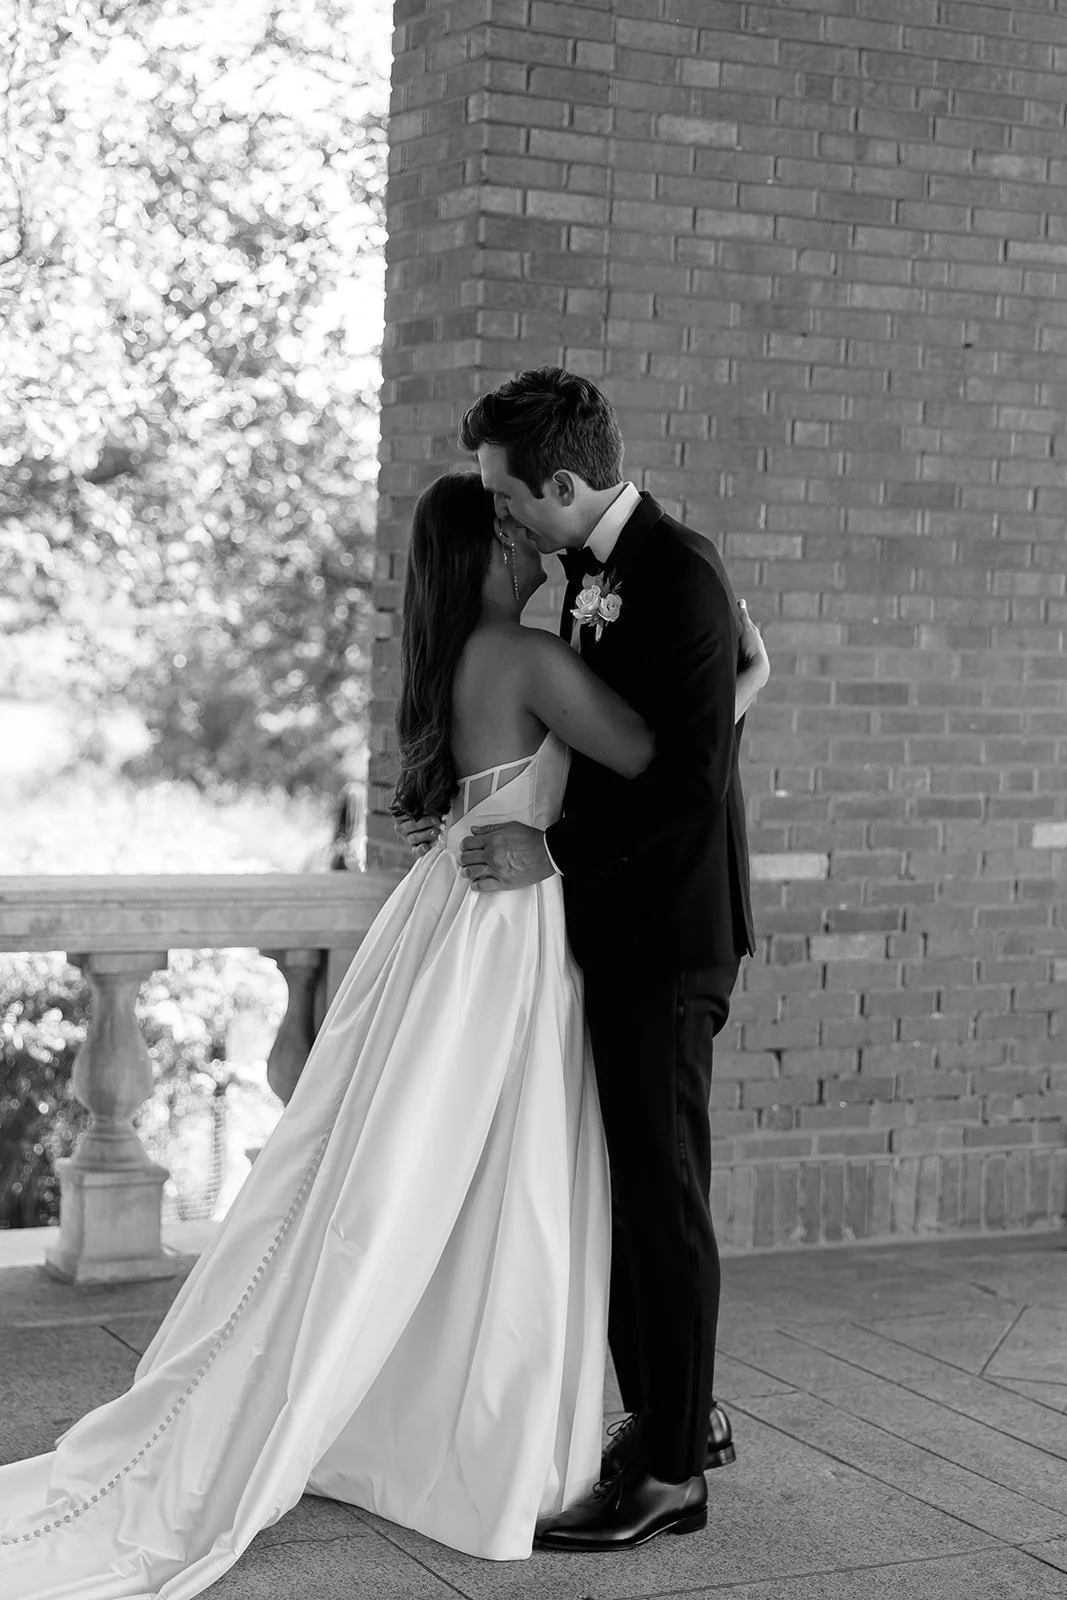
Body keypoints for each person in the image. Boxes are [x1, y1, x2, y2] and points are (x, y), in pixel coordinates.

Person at [0, 473, 767, 1592]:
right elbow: (657, 760)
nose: (528, 547)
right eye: (507, 533)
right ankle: (499, 1421)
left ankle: (506, 1406)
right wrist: (745, 678)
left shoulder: (465, 653)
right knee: (501, 1177)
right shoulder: (525, 657)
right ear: (480, 557)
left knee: (422, 1175)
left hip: (461, 914)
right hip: (505, 930)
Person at [428, 367, 759, 1552]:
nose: (502, 516)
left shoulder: (676, 571)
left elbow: (683, 782)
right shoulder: (587, 579)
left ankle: (670, 1471)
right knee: (632, 1188)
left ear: (561, 483)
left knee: (660, 1199)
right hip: (613, 931)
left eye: (508, 496)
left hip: (668, 939)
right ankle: (677, 1415)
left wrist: (547, 848)